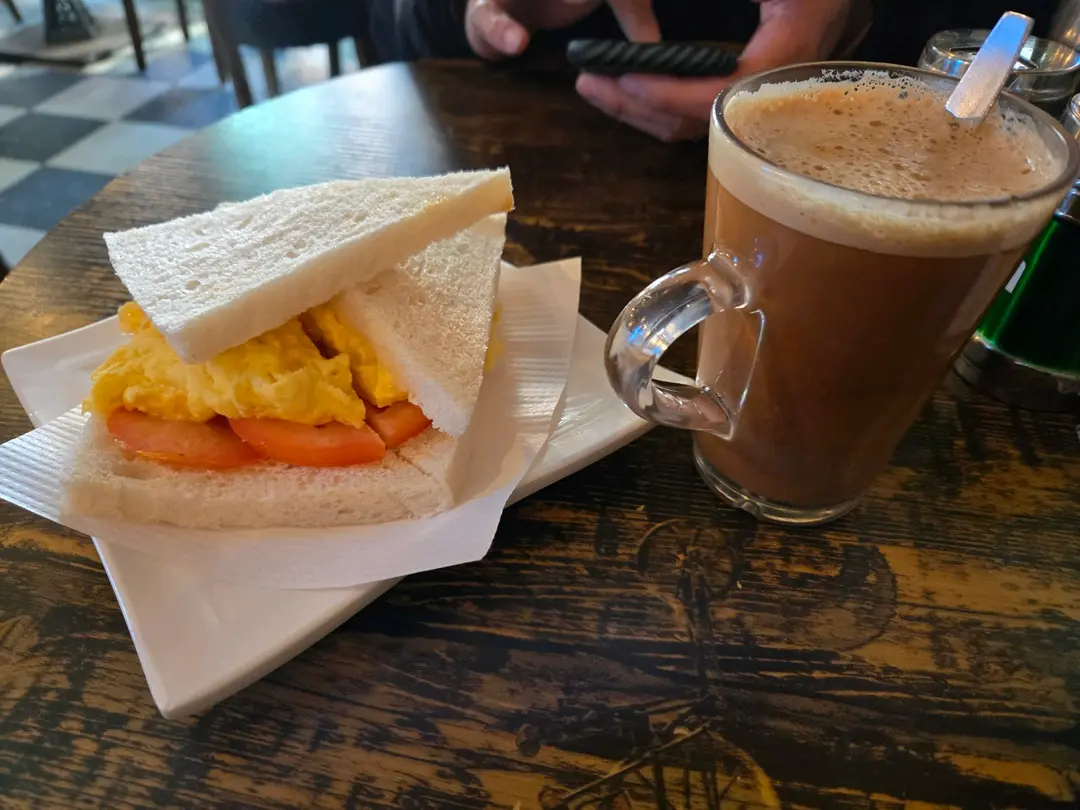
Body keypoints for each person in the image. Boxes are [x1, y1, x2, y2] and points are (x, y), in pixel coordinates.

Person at [366, 0, 871, 142]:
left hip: (803, 161)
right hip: (528, 179)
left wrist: (844, 14)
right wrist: (465, 12)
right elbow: (390, 22)